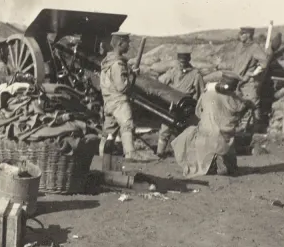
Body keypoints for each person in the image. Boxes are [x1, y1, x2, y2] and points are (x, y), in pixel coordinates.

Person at [171, 72, 253, 176]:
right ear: (234, 86)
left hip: (206, 132)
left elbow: (198, 112)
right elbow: (241, 113)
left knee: (190, 134)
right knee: (229, 158)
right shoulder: (235, 99)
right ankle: (221, 163)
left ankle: (207, 164)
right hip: (226, 136)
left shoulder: (207, 94)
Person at [99, 32, 157, 163]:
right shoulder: (118, 64)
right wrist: (131, 78)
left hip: (109, 102)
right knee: (127, 125)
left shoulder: (107, 62)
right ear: (120, 43)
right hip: (119, 102)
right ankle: (130, 153)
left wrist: (130, 72)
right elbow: (122, 87)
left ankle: (102, 155)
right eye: (127, 42)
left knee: (108, 132)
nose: (129, 45)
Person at [155, 51, 205, 156]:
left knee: (190, 129)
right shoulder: (173, 71)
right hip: (173, 104)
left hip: (187, 106)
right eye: (180, 61)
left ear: (188, 60)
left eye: (184, 61)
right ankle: (160, 152)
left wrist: (196, 107)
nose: (182, 63)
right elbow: (160, 82)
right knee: (165, 128)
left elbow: (200, 93)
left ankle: (191, 152)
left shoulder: (196, 74)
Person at [230, 26, 269, 132]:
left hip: (248, 82)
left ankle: (256, 128)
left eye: (243, 33)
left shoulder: (255, 47)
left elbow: (264, 62)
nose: (240, 35)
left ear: (249, 35)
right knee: (236, 103)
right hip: (237, 80)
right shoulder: (239, 46)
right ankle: (242, 127)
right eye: (240, 33)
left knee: (252, 103)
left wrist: (253, 74)